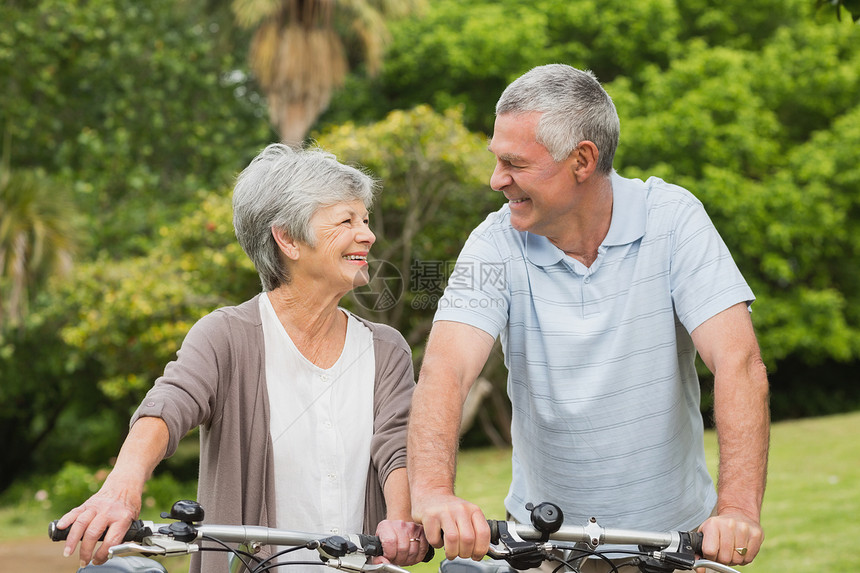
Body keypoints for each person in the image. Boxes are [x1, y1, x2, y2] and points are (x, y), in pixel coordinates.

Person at [407, 64, 769, 572]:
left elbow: (739, 362)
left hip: (677, 546)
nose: (496, 180)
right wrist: (431, 494)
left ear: (582, 160)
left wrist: (737, 510)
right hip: (544, 547)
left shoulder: (673, 219)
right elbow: (446, 369)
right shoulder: (494, 244)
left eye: (514, 163)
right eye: (496, 160)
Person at [57, 144, 429, 571]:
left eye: (365, 220)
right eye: (346, 220)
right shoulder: (227, 336)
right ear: (287, 238)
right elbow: (168, 407)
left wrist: (399, 521)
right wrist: (121, 488)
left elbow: (397, 445)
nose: (367, 234)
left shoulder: (386, 348)